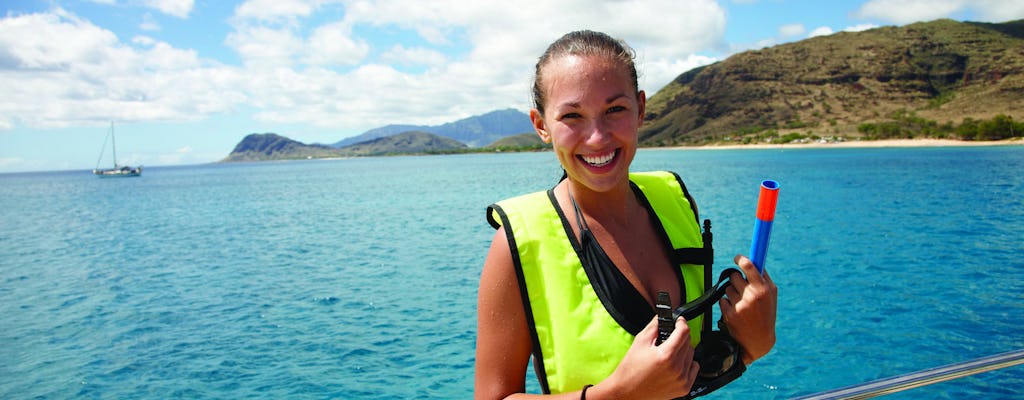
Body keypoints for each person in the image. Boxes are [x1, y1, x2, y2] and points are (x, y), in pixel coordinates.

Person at [474, 30, 777, 399]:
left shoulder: (676, 203)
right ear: (541, 126)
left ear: (641, 109)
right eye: (572, 116)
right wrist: (618, 393)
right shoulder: (517, 242)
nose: (598, 137)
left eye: (614, 110)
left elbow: (686, 373)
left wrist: (748, 346)